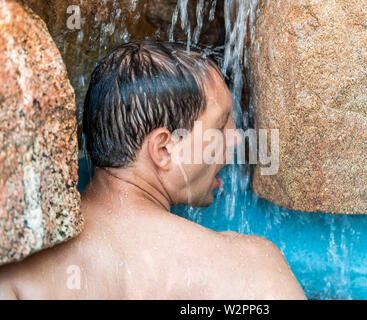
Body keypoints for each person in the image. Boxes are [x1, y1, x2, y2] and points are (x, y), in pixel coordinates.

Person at [0, 41, 306, 300]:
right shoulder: (250, 270)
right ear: (163, 149)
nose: (237, 138)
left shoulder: (17, 274)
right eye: (220, 124)